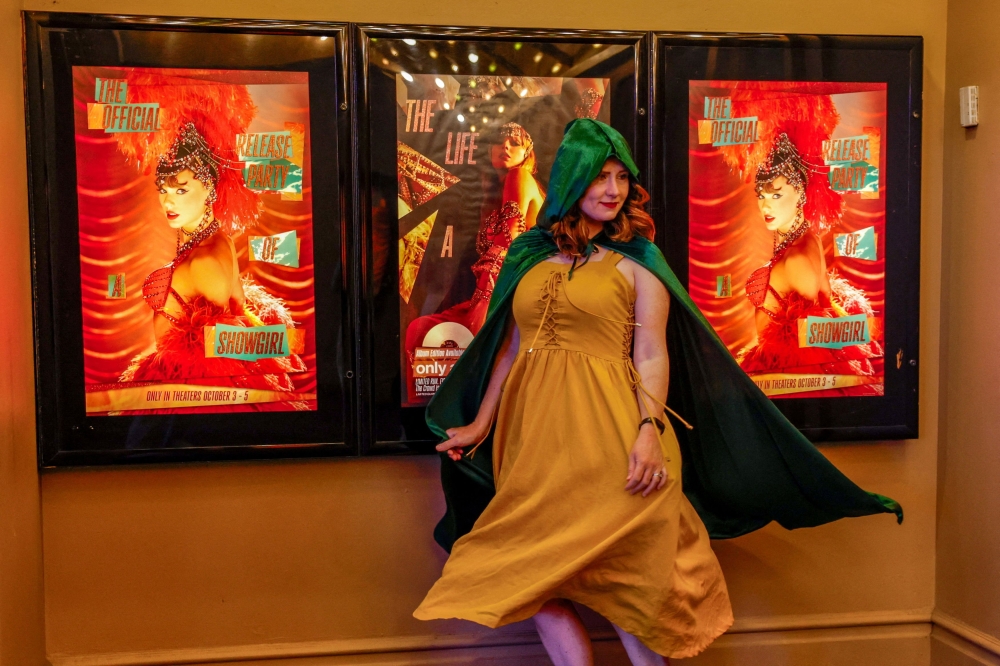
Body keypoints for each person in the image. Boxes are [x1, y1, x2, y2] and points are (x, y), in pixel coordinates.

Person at [413, 119, 902, 663]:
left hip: (614, 438)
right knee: (524, 575)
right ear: (573, 178)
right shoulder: (528, 254)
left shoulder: (637, 259)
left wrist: (649, 431)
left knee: (632, 587)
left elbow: (652, 354)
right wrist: (482, 423)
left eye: (622, 178)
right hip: (533, 444)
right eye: (600, 176)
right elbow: (510, 348)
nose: (613, 190)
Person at [113, 73, 310, 411]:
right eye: (164, 190)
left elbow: (225, 352)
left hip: (190, 396)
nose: (168, 202)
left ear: (210, 191)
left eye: (181, 189)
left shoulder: (205, 261)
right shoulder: (217, 242)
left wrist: (281, 343)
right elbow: (242, 312)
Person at [717, 87, 883, 395]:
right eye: (762, 196)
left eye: (777, 195)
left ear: (801, 195)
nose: (766, 206)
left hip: (786, 386)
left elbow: (815, 349)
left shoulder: (796, 259)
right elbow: (829, 304)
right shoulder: (807, 240)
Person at [404, 122, 544, 402]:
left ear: (527, 151)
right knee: (420, 331)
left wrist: (480, 307)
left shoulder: (518, 176)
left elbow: (506, 245)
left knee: (436, 335)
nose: (505, 146)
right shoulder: (494, 188)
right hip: (505, 286)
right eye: (498, 140)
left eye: (514, 143)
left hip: (511, 290)